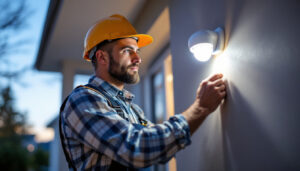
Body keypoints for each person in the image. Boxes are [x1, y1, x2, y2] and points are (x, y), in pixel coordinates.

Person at [59, 14, 226, 171]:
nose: (137, 58)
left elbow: (161, 146)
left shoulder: (134, 111)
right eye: (126, 51)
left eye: (137, 51)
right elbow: (136, 149)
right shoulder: (83, 100)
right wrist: (200, 108)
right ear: (102, 58)